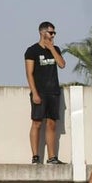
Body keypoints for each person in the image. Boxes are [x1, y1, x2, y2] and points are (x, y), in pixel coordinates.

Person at [24, 21, 65, 164]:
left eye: (54, 33)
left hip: (53, 91)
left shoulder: (56, 49)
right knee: (37, 123)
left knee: (52, 124)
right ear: (42, 32)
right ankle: (35, 156)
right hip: (40, 91)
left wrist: (52, 49)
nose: (53, 35)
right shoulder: (32, 51)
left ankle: (52, 157)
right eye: (50, 32)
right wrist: (34, 93)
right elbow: (29, 73)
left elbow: (62, 64)